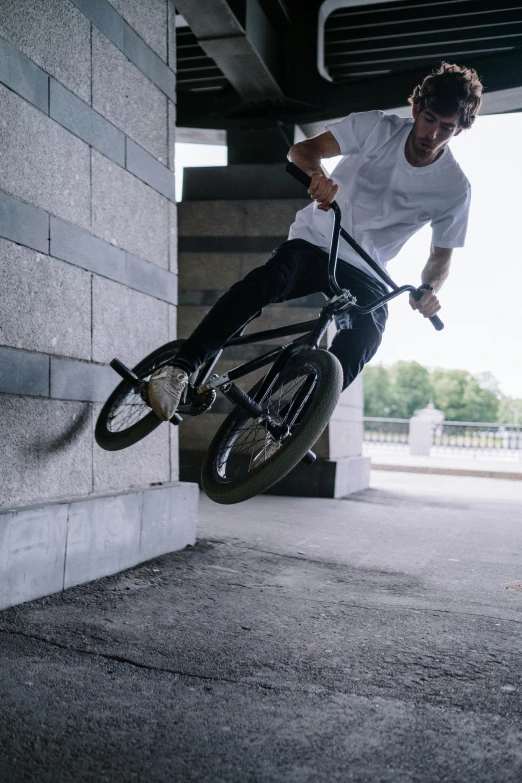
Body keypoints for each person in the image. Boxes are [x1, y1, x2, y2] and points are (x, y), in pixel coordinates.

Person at [148, 62, 483, 422]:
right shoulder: (375, 128)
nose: (432, 134)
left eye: (446, 127)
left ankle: (294, 421)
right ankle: (180, 368)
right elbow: (303, 150)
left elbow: (440, 255)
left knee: (365, 337)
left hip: (367, 270)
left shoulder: (453, 188)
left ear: (460, 130)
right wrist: (317, 176)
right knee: (266, 282)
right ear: (416, 110)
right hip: (317, 242)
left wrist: (430, 288)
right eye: (429, 119)